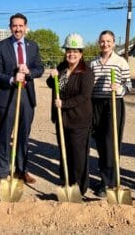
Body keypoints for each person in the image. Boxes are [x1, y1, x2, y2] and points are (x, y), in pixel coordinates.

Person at [0, 13, 44, 184]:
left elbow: (40, 68)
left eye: (21, 25)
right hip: (8, 96)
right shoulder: (1, 46)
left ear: (26, 27)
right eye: (15, 25)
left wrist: (29, 72)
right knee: (5, 135)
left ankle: (22, 170)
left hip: (27, 97)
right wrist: (12, 79)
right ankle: (3, 173)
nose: (18, 29)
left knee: (24, 135)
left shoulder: (33, 46)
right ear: (10, 27)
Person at [46, 33, 94, 195]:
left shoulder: (86, 71)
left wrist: (64, 104)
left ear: (81, 53)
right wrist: (52, 76)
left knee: (78, 154)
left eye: (75, 51)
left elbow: (84, 96)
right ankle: (66, 180)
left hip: (79, 120)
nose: (71, 54)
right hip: (62, 120)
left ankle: (79, 187)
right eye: (68, 50)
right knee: (64, 151)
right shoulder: (62, 67)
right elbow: (51, 84)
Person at [90, 30, 132, 197]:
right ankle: (104, 177)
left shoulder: (121, 62)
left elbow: (128, 85)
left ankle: (109, 183)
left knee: (111, 143)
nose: (105, 44)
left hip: (113, 103)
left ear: (114, 43)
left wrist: (120, 88)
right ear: (98, 43)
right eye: (102, 41)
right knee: (100, 143)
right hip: (96, 104)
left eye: (108, 41)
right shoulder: (93, 63)